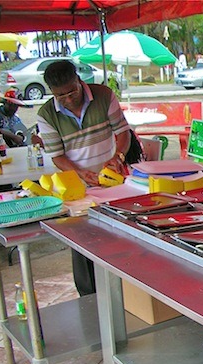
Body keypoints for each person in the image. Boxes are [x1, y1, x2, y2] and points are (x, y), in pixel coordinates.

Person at [37, 60, 132, 296]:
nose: (68, 99)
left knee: (118, 237)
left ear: (79, 80)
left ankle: (125, 291)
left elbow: (122, 133)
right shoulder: (46, 115)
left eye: (72, 91)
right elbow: (57, 156)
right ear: (51, 92)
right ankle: (89, 296)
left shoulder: (104, 95)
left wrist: (117, 157)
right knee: (83, 243)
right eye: (61, 96)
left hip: (114, 183)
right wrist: (80, 173)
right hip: (78, 189)